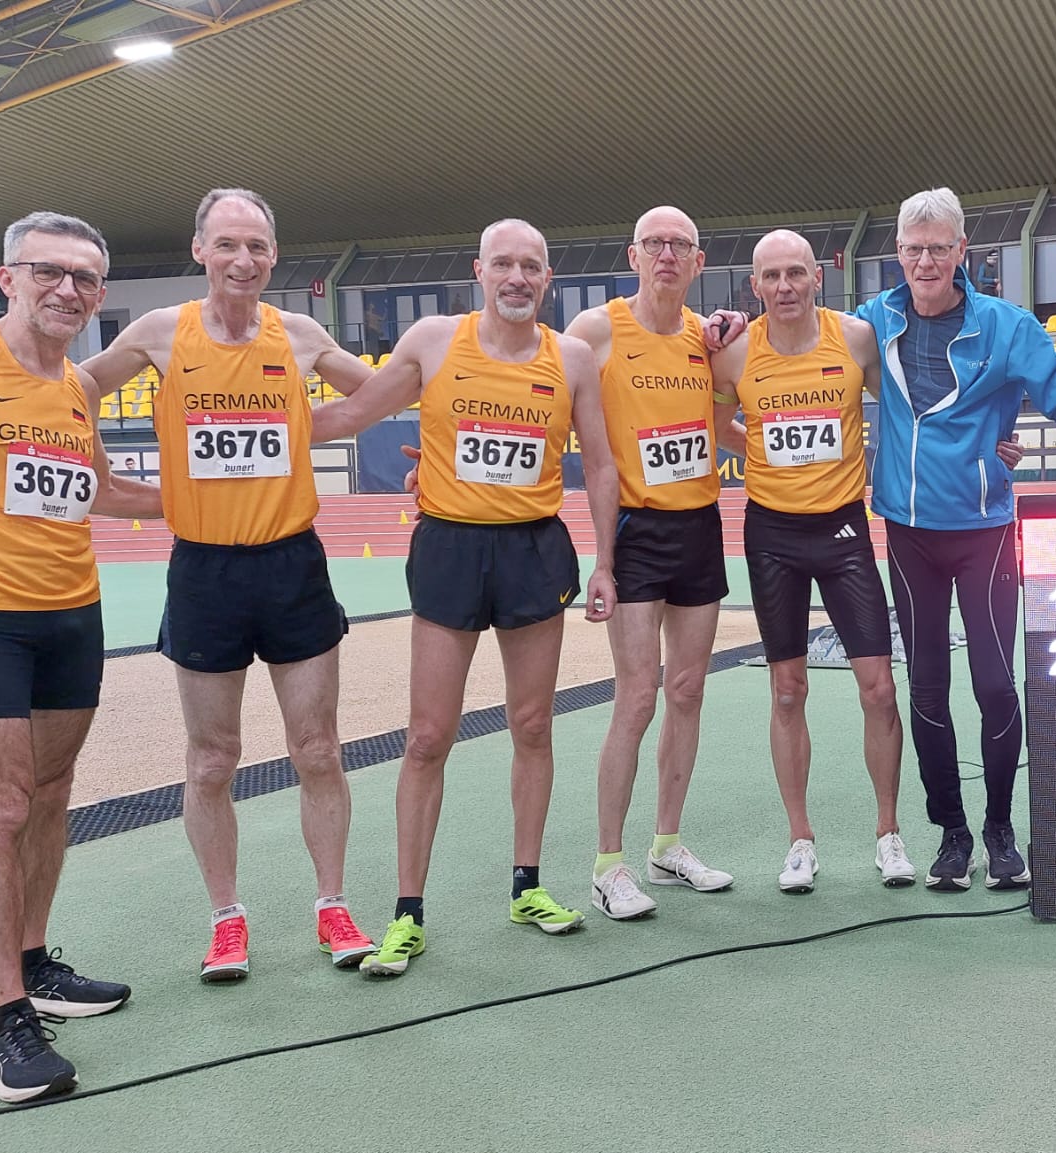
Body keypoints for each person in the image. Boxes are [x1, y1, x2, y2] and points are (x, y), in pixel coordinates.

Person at [0, 189, 384, 982]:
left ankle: (332, 904)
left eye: (258, 247)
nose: (243, 259)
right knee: (210, 760)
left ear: (273, 255)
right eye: (227, 244)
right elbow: (58, 381)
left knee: (318, 749)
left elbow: (374, 394)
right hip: (199, 571)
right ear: (199, 250)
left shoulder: (300, 334)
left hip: (291, 564)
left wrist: (307, 430)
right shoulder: (157, 332)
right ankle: (225, 917)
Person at [307, 219, 620, 976]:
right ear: (479, 271)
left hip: (533, 548)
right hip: (449, 548)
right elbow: (352, 414)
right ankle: (408, 911)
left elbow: (603, 468)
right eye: (504, 264)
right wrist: (259, 416)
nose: (517, 277)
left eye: (531, 267)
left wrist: (606, 562)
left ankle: (528, 885)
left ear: (547, 279)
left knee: (533, 722)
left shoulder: (571, 358)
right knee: (426, 735)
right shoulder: (434, 340)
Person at [0, 212, 162, 1102]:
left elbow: (101, 489)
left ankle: (33, 960)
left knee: (51, 795)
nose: (69, 289)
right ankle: (6, 1021)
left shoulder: (78, 387)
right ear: (7, 277)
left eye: (87, 278)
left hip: (70, 615)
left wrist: (220, 496)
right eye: (49, 271)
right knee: (0, 805)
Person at [852, 188, 1056, 892]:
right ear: (898, 253)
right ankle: (951, 833)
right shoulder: (869, 323)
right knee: (926, 687)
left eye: (938, 248)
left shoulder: (1007, 327)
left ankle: (1002, 829)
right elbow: (793, 348)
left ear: (962, 253)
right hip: (909, 533)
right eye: (914, 249)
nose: (925, 261)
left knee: (993, 685)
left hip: (982, 533)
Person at [709, 230, 912, 892]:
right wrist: (757, 442)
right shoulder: (736, 352)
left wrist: (989, 440)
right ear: (755, 286)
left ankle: (888, 833)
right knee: (787, 687)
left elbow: (908, 412)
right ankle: (801, 839)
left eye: (796, 272)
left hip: (844, 528)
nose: (785, 285)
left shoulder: (854, 339)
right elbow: (716, 421)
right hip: (772, 533)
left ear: (818, 277)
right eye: (772, 276)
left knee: (878, 687)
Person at [564, 207, 738, 921]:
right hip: (635, 532)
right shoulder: (595, 332)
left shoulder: (709, 341)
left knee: (688, 690)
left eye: (681, 246)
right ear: (632, 254)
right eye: (655, 243)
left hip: (699, 524)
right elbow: (546, 408)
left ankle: (667, 842)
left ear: (699, 263)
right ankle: (608, 863)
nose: (667, 254)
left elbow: (731, 421)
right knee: (636, 696)